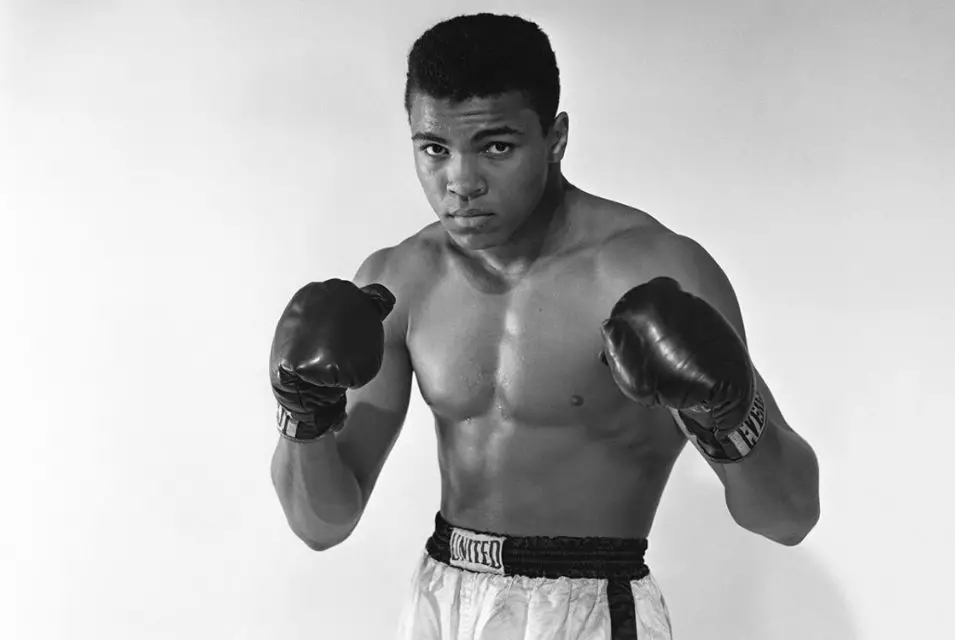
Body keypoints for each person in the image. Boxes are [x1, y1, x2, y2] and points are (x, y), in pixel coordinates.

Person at [269, 12, 820, 640]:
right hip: (443, 599)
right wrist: (303, 419)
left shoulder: (654, 269)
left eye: (496, 147)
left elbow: (790, 516)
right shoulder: (400, 279)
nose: (461, 183)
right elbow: (322, 526)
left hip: (590, 608)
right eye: (434, 149)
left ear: (555, 138)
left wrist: (729, 416)